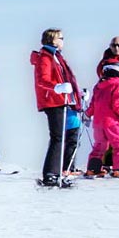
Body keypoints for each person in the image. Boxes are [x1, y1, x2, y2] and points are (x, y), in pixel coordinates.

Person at [31, 28, 80, 188]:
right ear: (53, 40)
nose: (63, 41)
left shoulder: (56, 57)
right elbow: (42, 79)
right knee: (58, 137)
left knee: (65, 135)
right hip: (53, 101)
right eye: (61, 38)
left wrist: (75, 93)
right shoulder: (45, 57)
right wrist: (57, 87)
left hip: (61, 100)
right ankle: (50, 174)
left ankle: (60, 171)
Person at [83, 62, 119, 179]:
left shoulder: (98, 86)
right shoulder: (118, 85)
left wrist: (86, 115)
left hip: (98, 123)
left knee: (99, 146)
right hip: (112, 122)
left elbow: (93, 105)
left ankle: (93, 169)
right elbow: (117, 104)